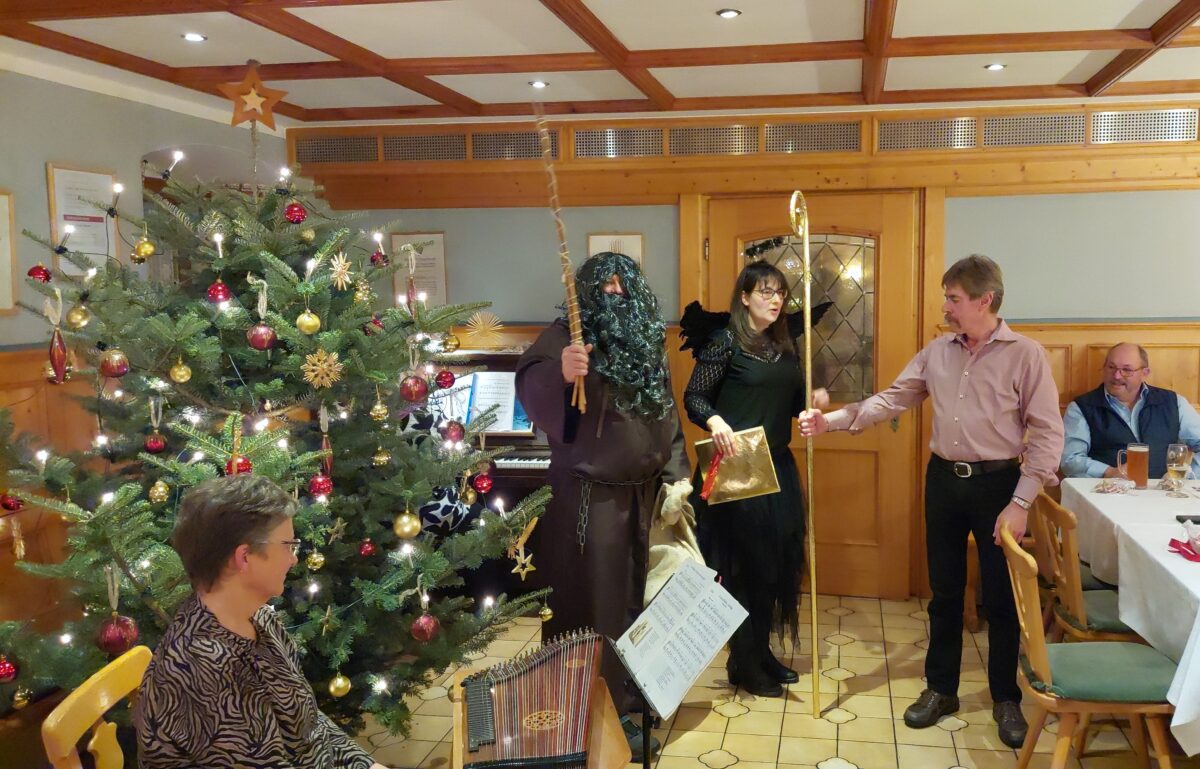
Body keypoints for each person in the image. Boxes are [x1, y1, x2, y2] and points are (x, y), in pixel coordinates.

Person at [799, 254, 1063, 749]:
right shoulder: (937, 351)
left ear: (985, 300)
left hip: (1000, 487)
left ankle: (1005, 697)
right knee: (944, 594)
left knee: (1001, 599)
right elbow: (893, 399)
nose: (945, 307)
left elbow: (1048, 435)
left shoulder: (1026, 355)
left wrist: (1021, 502)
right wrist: (830, 421)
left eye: (953, 298)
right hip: (943, 480)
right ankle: (941, 689)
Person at [515, 251, 691, 760]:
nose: (615, 291)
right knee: (597, 612)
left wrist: (676, 476)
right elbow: (531, 384)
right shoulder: (566, 337)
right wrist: (562, 373)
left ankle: (632, 701)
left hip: (646, 499)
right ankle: (593, 713)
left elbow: (667, 413)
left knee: (643, 606)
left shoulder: (645, 341)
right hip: (590, 505)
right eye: (606, 284)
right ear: (587, 292)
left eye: (623, 283)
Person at [134, 474, 387, 769]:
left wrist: (365, 764)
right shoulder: (201, 666)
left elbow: (308, 722)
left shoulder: (260, 617)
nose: (293, 559)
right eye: (287, 545)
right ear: (244, 557)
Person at [681, 261, 828, 698]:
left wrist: (811, 401)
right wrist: (715, 421)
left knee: (773, 567)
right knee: (741, 570)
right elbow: (694, 396)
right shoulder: (726, 342)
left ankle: (760, 652)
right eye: (765, 292)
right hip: (736, 467)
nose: (775, 300)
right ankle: (744, 660)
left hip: (777, 466)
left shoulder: (784, 345)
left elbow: (792, 403)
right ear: (744, 297)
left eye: (780, 293)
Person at [1061, 342, 1200, 479]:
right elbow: (1070, 460)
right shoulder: (1082, 407)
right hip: (1108, 491)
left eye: (1127, 370)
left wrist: (1187, 478)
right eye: (1111, 367)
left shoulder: (1173, 402)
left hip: (1166, 490)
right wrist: (1109, 472)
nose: (1116, 376)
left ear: (1144, 373)